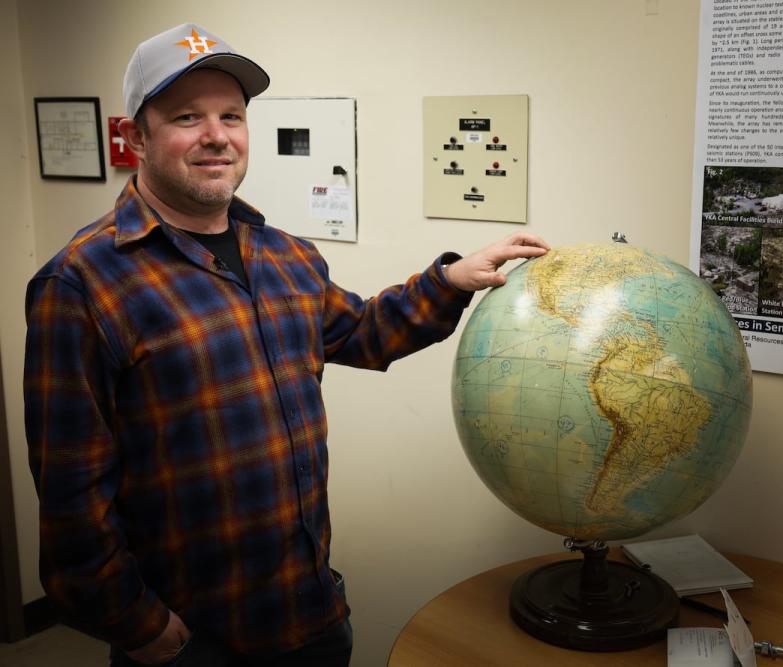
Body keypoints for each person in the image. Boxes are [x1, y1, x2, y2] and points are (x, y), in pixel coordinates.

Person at [23, 23, 548, 667]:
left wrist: (449, 280)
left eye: (231, 115)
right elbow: (73, 498)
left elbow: (361, 331)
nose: (216, 135)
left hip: (312, 616)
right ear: (137, 138)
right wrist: (146, 631)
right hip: (192, 642)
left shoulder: (286, 255)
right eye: (187, 116)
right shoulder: (83, 283)